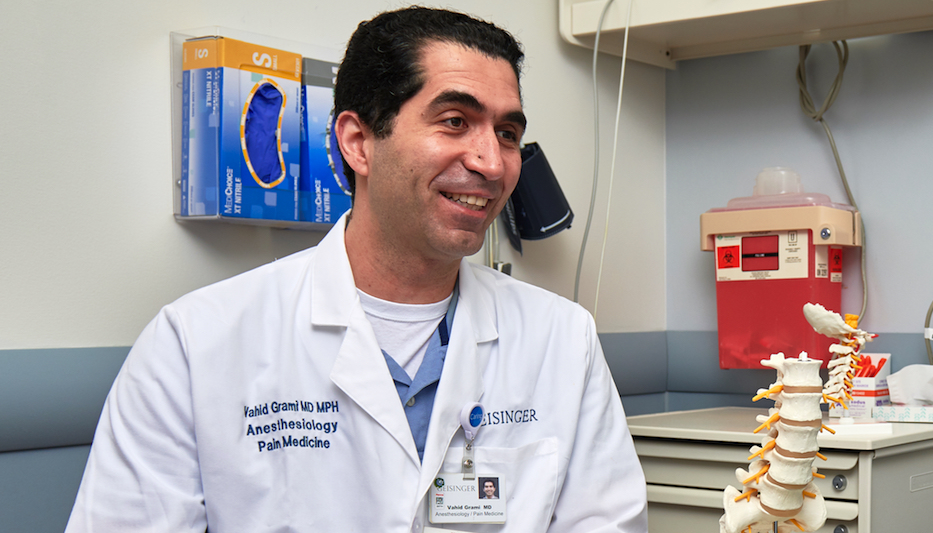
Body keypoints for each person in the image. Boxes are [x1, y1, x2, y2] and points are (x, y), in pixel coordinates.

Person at [66, 7, 646, 532]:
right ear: (358, 143)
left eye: (508, 133)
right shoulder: (194, 345)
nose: (491, 162)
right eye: (453, 121)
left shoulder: (563, 340)